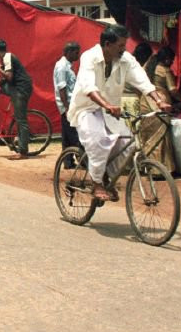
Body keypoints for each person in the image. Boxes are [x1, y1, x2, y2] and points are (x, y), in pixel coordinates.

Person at [68, 27, 170, 202]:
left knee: (127, 142)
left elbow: (141, 79)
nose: (124, 49)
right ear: (107, 45)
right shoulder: (89, 57)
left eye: (125, 45)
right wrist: (106, 105)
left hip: (111, 110)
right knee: (99, 140)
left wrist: (158, 100)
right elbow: (88, 86)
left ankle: (108, 177)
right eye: (120, 45)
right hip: (87, 108)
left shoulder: (125, 59)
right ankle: (96, 182)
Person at [139, 47, 181, 171]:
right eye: (172, 60)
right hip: (160, 106)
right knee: (161, 139)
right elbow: (173, 91)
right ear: (167, 59)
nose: (172, 63)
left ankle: (148, 168)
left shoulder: (146, 67)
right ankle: (162, 169)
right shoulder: (165, 71)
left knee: (147, 138)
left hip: (144, 105)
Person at [0, 39, 34, 159]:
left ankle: (23, 152)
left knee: (21, 121)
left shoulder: (7, 57)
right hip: (17, 87)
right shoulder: (7, 57)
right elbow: (8, 77)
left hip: (20, 89)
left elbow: (9, 76)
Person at [53, 42, 82, 155]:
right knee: (74, 134)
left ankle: (67, 161)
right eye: (76, 53)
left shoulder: (67, 65)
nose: (78, 55)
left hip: (70, 104)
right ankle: (82, 159)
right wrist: (67, 107)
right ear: (69, 52)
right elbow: (62, 88)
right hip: (68, 105)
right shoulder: (62, 67)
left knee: (66, 134)